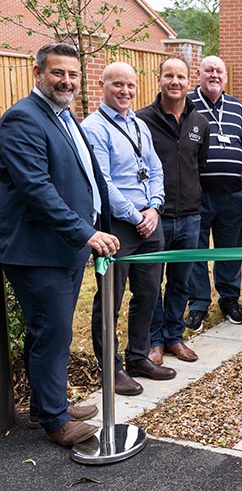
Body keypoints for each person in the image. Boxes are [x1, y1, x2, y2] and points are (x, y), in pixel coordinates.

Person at [0, 43, 119, 446]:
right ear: (38, 74)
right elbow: (36, 189)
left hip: (65, 249)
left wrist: (98, 221)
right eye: (57, 73)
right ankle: (55, 420)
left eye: (72, 74)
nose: (66, 80)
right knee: (53, 334)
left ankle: (43, 405)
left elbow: (86, 177)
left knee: (47, 333)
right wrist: (84, 232)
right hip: (38, 252)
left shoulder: (64, 117)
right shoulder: (22, 119)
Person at [81, 62, 176, 397]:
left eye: (130, 86)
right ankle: (112, 368)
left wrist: (154, 207)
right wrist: (135, 216)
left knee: (149, 292)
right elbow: (101, 183)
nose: (125, 92)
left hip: (150, 221)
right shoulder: (94, 128)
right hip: (117, 225)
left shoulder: (138, 124)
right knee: (110, 299)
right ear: (103, 86)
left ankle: (138, 357)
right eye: (118, 85)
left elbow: (154, 167)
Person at [137, 56, 209, 365]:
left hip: (191, 216)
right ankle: (154, 341)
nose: (175, 82)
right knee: (152, 282)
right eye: (169, 76)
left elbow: (200, 164)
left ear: (189, 80)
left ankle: (174, 337)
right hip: (156, 217)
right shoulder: (142, 121)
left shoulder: (199, 122)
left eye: (180, 76)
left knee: (182, 281)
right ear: (159, 80)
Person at [185, 56, 242, 329]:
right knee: (196, 251)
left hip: (232, 195)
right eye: (208, 70)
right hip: (197, 194)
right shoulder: (187, 104)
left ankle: (229, 299)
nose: (214, 75)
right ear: (198, 74)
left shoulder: (237, 107)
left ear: (225, 76)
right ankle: (198, 303)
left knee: (231, 250)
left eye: (219, 71)